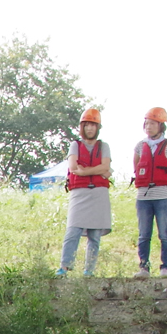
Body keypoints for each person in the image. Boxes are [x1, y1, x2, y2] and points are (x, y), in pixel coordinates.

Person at [59, 107, 112, 278]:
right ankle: (65, 267)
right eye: (87, 125)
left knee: (95, 236)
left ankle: (89, 270)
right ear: (82, 127)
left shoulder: (104, 146)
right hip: (80, 193)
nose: (90, 128)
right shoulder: (75, 145)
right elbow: (74, 167)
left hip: (98, 194)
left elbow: (105, 166)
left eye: (93, 125)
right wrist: (98, 171)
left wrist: (85, 171)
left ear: (98, 128)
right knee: (72, 231)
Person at [132, 107, 167, 279]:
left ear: (161, 125)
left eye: (153, 123)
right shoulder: (140, 146)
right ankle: (144, 267)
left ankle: (165, 267)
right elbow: (136, 166)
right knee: (144, 234)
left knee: (164, 233)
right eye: (147, 123)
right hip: (144, 197)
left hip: (164, 196)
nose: (149, 126)